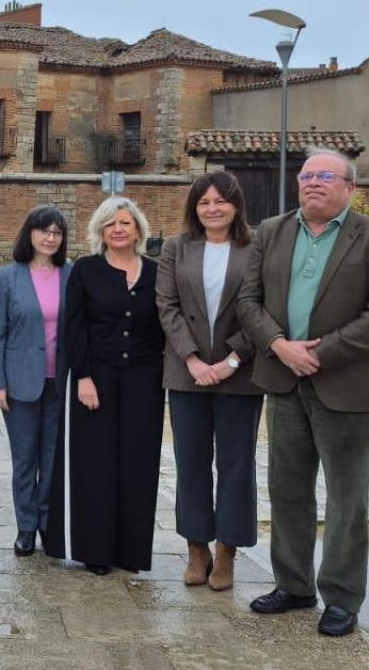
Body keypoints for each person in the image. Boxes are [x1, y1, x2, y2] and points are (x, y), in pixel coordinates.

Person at [238, 148, 369, 638]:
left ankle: (342, 597)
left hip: (344, 385)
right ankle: (293, 585)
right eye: (307, 176)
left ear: (350, 187)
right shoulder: (271, 231)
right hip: (283, 380)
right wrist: (278, 345)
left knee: (346, 498)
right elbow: (248, 301)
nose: (312, 183)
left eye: (325, 176)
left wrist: (321, 353)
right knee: (287, 489)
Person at [156, 171, 261, 591]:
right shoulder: (176, 248)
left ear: (236, 206)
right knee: (191, 463)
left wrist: (233, 358)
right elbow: (167, 305)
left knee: (236, 465)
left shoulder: (255, 249)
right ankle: (196, 549)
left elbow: (263, 306)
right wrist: (193, 359)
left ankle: (227, 553)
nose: (212, 209)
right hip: (187, 374)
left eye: (221, 201)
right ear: (194, 208)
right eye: (204, 202)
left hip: (241, 373)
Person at [51, 196, 163, 575]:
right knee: (95, 465)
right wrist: (83, 377)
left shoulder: (156, 272)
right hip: (95, 379)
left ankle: (130, 552)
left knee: (137, 465)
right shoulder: (86, 270)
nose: (118, 229)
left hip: (144, 381)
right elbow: (74, 327)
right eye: (111, 223)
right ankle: (95, 551)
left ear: (138, 230)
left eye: (126, 223)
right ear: (100, 230)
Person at [0, 205, 71, 558]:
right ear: (30, 234)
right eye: (44, 231)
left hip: (60, 382)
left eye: (57, 232)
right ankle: (25, 527)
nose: (50, 238)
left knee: (53, 458)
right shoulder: (7, 277)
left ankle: (49, 525)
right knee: (25, 459)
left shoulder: (72, 274)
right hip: (20, 382)